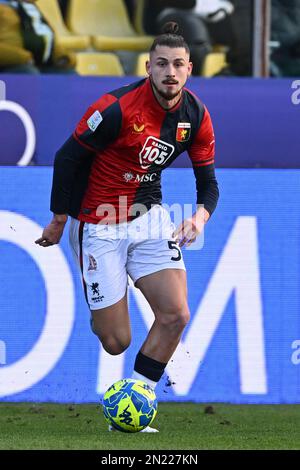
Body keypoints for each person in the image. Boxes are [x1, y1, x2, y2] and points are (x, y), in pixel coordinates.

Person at [35, 22, 219, 432]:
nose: (170, 72)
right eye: (161, 64)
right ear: (148, 67)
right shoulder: (116, 108)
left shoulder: (196, 116)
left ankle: (135, 401)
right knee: (115, 339)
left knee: (175, 314)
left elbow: (208, 184)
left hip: (149, 219)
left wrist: (199, 216)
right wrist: (59, 218)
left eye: (177, 65)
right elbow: (68, 159)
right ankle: (103, 308)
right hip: (98, 225)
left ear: (189, 68)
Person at [0, 0, 75, 74]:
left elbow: (46, 37)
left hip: (40, 64)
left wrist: (63, 56)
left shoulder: (31, 8)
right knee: (30, 75)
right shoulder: (3, 8)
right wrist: (24, 58)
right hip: (12, 65)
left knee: (69, 74)